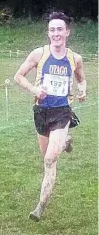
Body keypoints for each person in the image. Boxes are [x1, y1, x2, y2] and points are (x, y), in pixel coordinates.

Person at [14, 11, 86, 222]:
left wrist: (82, 91)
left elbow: (82, 80)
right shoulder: (39, 54)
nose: (56, 33)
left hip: (62, 112)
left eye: (60, 29)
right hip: (41, 111)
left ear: (67, 32)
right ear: (48, 33)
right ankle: (65, 143)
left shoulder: (75, 58)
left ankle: (40, 207)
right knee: (47, 157)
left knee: (49, 160)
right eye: (52, 30)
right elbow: (18, 76)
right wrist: (34, 90)